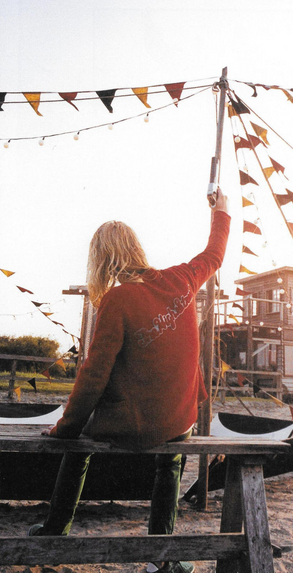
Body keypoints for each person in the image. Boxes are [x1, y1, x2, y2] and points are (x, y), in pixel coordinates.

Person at [28, 189, 231, 573]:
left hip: (134, 426)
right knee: (171, 463)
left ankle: (55, 532)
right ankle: (160, 557)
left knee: (77, 448)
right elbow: (214, 254)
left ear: (102, 260)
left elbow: (93, 374)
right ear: (136, 249)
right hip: (180, 419)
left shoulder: (117, 300)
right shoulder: (182, 278)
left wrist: (65, 428)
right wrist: (221, 211)